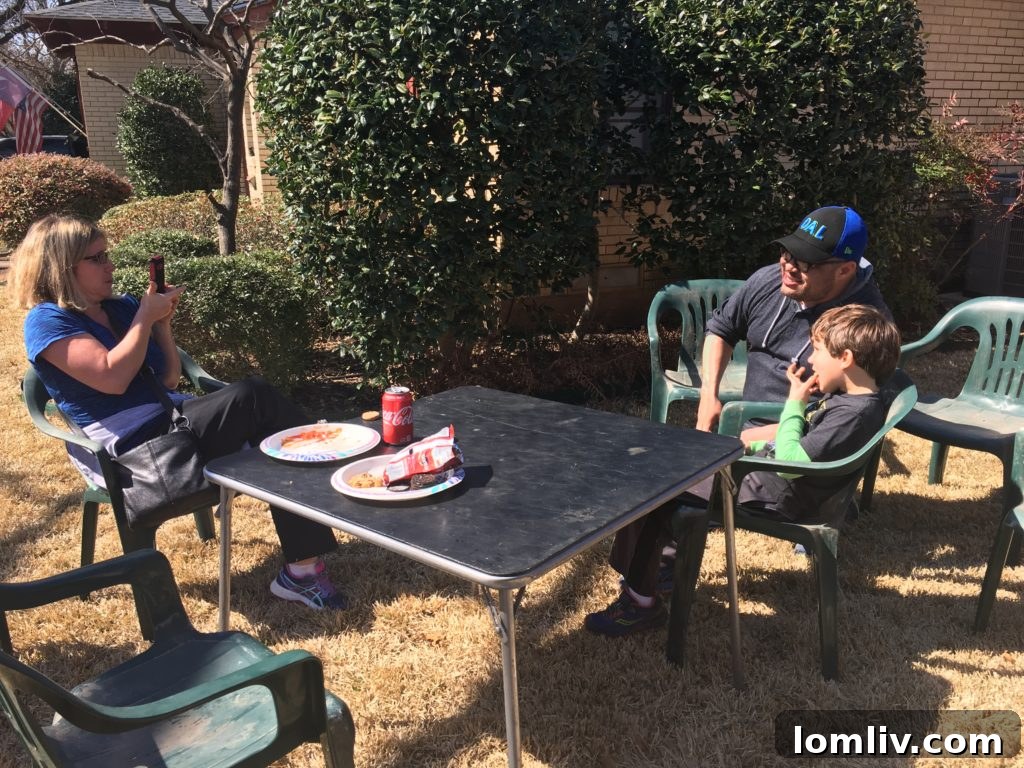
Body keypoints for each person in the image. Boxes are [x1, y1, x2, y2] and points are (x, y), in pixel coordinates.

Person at [10, 214, 347, 611]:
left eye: (107, 255)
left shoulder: (118, 309)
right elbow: (112, 379)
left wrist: (162, 325)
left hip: (170, 419)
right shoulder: (47, 321)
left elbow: (168, 378)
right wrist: (144, 318)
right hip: (131, 452)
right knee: (256, 398)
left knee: (278, 432)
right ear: (62, 268)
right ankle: (309, 539)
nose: (110, 266)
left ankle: (303, 567)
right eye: (97, 258)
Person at [609, 204, 892, 584]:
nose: (789, 267)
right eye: (787, 252)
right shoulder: (768, 282)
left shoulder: (860, 327)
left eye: (805, 262)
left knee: (662, 483)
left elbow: (831, 426)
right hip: (762, 443)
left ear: (844, 270)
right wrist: (710, 396)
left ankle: (645, 590)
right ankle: (655, 571)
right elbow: (721, 328)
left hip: (781, 461)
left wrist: (753, 441)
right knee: (660, 467)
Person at [586, 304, 901, 636]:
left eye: (818, 351)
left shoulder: (851, 414)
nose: (810, 360)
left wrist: (794, 400)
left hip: (774, 494)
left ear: (846, 359)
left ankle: (639, 604)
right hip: (772, 482)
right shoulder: (858, 401)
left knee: (654, 490)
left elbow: (794, 464)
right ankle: (662, 571)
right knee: (668, 479)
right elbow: (808, 436)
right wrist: (756, 437)